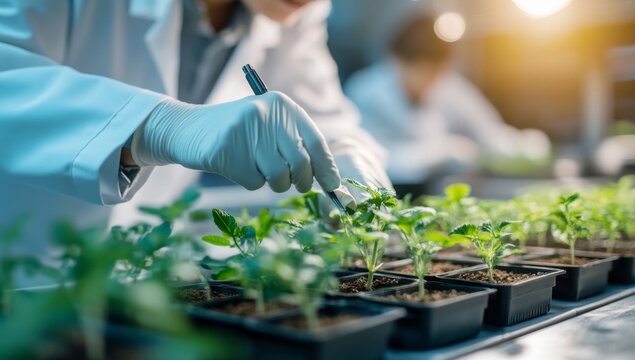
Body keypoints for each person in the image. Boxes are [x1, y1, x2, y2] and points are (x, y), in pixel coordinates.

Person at [0, 0, 390, 280]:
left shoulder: (292, 12)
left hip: (135, 277)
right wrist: (155, 126)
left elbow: (324, 119)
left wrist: (350, 155)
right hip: (21, 265)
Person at [345, 13, 550, 194]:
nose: (428, 82)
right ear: (396, 59)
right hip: (386, 192)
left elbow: (491, 135)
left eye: (435, 73)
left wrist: (528, 146)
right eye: (421, 71)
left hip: (439, 191)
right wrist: (441, 151)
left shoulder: (450, 88)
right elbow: (372, 160)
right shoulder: (365, 92)